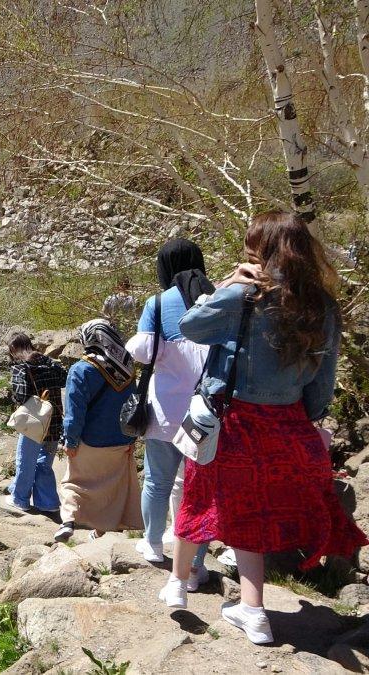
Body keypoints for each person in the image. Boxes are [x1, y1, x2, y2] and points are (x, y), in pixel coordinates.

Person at [162, 212, 367, 645]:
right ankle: (253, 611)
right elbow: (323, 381)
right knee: (254, 518)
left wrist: (230, 284)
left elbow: (190, 327)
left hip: (232, 419)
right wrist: (302, 422)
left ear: (265, 250)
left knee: (202, 499)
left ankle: (188, 586)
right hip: (287, 423)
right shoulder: (322, 305)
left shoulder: (248, 295)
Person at [125, 239, 212, 584]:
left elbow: (143, 352)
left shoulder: (158, 303)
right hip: (206, 414)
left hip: (164, 410)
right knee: (199, 491)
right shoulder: (218, 297)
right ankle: (194, 567)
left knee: (157, 482)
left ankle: (152, 545)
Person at [55, 320, 141, 543]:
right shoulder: (128, 368)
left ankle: (68, 522)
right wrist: (132, 437)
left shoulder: (81, 369)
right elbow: (134, 405)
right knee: (111, 489)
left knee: (73, 483)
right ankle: (101, 531)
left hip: (89, 441)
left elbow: (74, 412)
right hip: (121, 441)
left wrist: (70, 441)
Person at [7, 333, 67, 514]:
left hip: (33, 424)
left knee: (25, 461)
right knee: (43, 463)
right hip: (54, 421)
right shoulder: (50, 363)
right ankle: (48, 503)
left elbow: (20, 396)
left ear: (14, 350)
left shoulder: (21, 367)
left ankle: (20, 499)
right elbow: (65, 379)